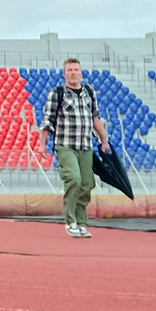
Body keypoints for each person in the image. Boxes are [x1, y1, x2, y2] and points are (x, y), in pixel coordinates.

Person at [40, 57, 110, 239]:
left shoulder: (89, 92)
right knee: (74, 179)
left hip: (85, 145)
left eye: (76, 70)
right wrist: (42, 145)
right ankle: (70, 220)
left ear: (81, 72)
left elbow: (95, 118)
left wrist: (104, 140)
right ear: (64, 74)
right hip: (65, 145)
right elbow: (47, 121)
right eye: (69, 70)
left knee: (87, 183)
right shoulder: (57, 93)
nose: (73, 73)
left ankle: (81, 222)